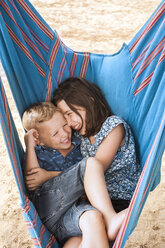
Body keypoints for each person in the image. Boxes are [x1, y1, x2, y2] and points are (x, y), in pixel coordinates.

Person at [22, 102, 126, 248]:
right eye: (55, 133)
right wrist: (30, 145)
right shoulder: (39, 151)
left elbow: (83, 179)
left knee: (93, 219)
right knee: (91, 164)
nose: (64, 134)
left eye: (65, 125)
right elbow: (32, 181)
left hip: (68, 219)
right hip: (49, 206)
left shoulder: (78, 144)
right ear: (38, 139)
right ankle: (111, 218)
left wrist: (48, 175)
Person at [52, 77, 141, 245]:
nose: (70, 123)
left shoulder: (114, 126)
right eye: (65, 119)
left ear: (89, 102)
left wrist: (48, 175)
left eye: (70, 114)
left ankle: (111, 219)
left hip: (117, 201)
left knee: (91, 166)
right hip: (90, 205)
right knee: (73, 242)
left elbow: (97, 166)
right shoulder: (80, 137)